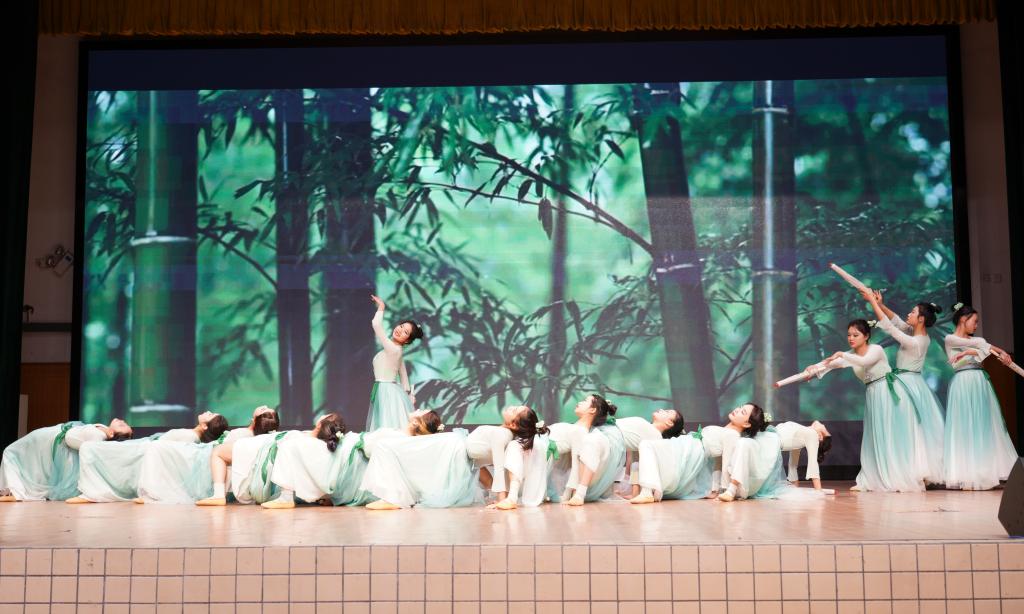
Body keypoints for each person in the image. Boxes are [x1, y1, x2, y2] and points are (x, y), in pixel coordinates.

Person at [0, 419, 133, 502]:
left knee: (12, 452)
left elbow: (73, 440)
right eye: (124, 423)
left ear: (111, 434)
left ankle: (16, 490)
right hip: (51, 435)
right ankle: (14, 489)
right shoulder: (102, 429)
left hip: (51, 440)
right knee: (21, 456)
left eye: (122, 426)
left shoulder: (98, 438)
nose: (122, 421)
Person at [366, 294, 424, 430]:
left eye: (405, 332)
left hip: (387, 392)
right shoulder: (397, 350)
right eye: (401, 326)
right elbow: (403, 374)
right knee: (390, 427)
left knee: (387, 428)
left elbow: (376, 325)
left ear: (407, 341)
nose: (400, 330)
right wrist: (408, 394)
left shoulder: (393, 349)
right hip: (387, 391)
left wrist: (381, 307)